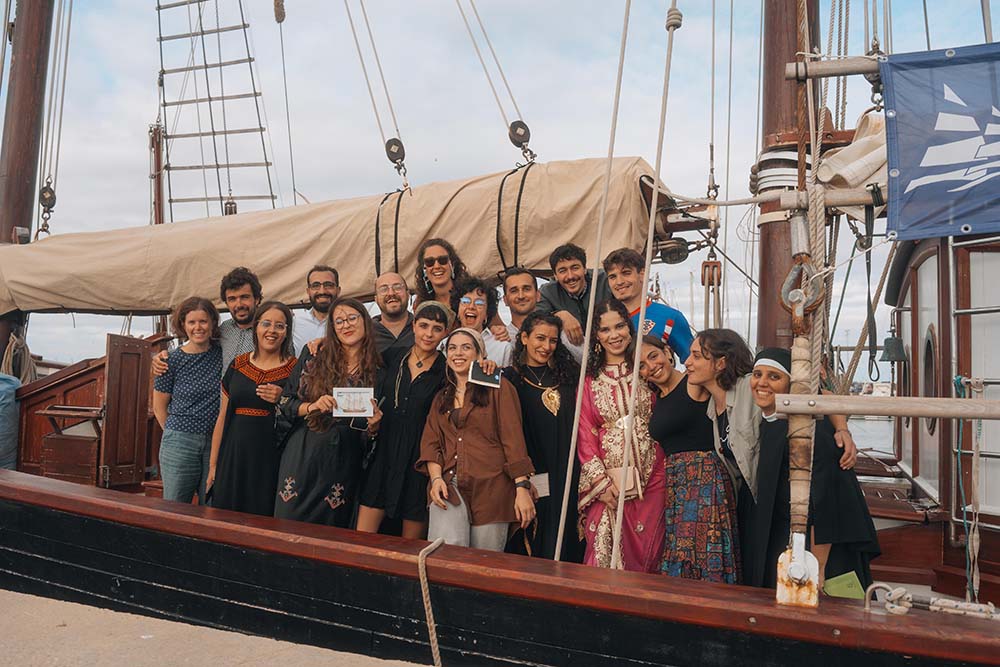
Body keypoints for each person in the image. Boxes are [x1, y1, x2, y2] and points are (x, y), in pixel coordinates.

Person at [744, 348, 879, 589]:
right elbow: (824, 394)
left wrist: (817, 568)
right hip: (783, 539)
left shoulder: (809, 430)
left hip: (814, 550)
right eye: (757, 374)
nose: (762, 383)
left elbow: (825, 503)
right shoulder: (772, 420)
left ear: (792, 386)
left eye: (774, 377)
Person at [417, 327, 535, 551]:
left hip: (492, 487)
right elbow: (431, 444)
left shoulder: (499, 387)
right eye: (452, 348)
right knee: (445, 554)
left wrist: (522, 488)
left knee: (483, 560)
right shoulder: (441, 397)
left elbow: (513, 440)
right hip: (449, 484)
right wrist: (436, 479)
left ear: (480, 354)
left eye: (466, 347)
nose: (458, 353)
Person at [274, 297, 383, 526]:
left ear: (365, 321)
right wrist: (313, 406)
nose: (346, 325)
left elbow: (375, 429)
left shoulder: (379, 368)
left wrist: (374, 427)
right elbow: (285, 402)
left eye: (352, 318)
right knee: (290, 521)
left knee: (333, 525)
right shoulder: (314, 356)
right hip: (305, 449)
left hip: (346, 456)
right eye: (339, 321)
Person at [639, 335, 739, 583]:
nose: (651, 366)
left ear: (667, 352)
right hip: (676, 483)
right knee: (680, 550)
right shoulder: (656, 398)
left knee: (703, 551)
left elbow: (722, 364)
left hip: (704, 478)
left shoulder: (692, 382)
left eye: (653, 356)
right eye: (641, 365)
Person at [576, 300, 665, 572]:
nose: (614, 335)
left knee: (653, 549)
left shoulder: (646, 371)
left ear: (629, 328)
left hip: (655, 476)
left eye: (619, 326)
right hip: (610, 482)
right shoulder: (589, 381)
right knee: (605, 553)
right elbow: (585, 434)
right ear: (596, 336)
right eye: (605, 330)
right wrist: (600, 483)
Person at [357, 301, 452, 539]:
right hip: (384, 453)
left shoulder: (447, 369)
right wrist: (321, 342)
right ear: (413, 326)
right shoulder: (392, 356)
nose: (429, 334)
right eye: (424, 326)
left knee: (410, 546)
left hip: (419, 460)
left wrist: (486, 363)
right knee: (362, 539)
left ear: (445, 333)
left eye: (437, 329)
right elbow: (353, 353)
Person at [504, 312, 585, 562]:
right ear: (524, 338)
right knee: (539, 535)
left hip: (570, 471)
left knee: (569, 531)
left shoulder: (570, 376)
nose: (546, 346)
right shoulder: (509, 379)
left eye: (553, 340)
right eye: (540, 338)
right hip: (533, 472)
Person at [208, 301, 297, 516]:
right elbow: (223, 416)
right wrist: (213, 465)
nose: (272, 330)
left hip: (272, 458)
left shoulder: (295, 370)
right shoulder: (237, 365)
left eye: (279, 326)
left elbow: (300, 415)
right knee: (225, 516)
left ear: (286, 332)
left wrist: (282, 398)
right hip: (233, 454)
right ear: (256, 327)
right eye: (266, 323)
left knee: (262, 517)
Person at [152, 297, 223, 504]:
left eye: (203, 321)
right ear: (183, 325)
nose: (198, 327)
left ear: (212, 323)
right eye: (192, 322)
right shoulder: (170, 360)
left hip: (215, 442)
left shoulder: (222, 354)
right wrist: (176, 435)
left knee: (211, 504)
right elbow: (159, 407)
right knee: (175, 505)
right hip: (180, 442)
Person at [153, 267, 262, 377]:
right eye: (232, 299)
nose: (239, 305)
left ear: (256, 299)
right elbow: (198, 346)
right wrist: (164, 356)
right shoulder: (224, 329)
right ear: (227, 303)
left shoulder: (267, 331)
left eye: (244, 297)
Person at [603, 248, 693, 362]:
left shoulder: (670, 317)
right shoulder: (602, 320)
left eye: (626, 273)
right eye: (612, 277)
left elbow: (694, 363)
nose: (619, 282)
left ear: (642, 274)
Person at [536, 244, 611, 353]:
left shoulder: (605, 280)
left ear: (585, 269)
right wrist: (560, 315)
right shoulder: (548, 292)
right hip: (577, 354)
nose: (570, 276)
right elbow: (537, 318)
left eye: (575, 268)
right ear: (555, 276)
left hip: (613, 343)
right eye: (562, 271)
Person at [503, 267, 582, 363]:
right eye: (514, 291)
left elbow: (589, 360)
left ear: (538, 295)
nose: (521, 296)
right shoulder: (502, 338)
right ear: (505, 300)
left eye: (526, 289)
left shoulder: (560, 330)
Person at [451, 276, 512, 366]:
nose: (471, 306)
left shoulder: (502, 347)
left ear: (487, 313)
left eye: (479, 303)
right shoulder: (444, 345)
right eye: (466, 301)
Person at [293, 265, 340, 356]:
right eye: (316, 286)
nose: (322, 291)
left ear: (338, 290)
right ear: (308, 291)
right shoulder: (294, 320)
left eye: (328, 285)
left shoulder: (350, 322)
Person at [414, 238, 471, 306]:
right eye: (429, 261)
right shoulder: (420, 304)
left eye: (442, 260)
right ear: (423, 269)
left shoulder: (470, 296)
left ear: (452, 264)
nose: (437, 266)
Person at [372, 272, 415, 357]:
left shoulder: (423, 328)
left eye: (397, 287)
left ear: (408, 294)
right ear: (376, 299)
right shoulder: (366, 332)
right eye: (384, 289)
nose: (391, 293)